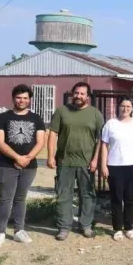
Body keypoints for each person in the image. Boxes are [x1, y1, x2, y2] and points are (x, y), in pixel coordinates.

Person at [0, 84, 47, 248]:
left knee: (21, 198)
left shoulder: (36, 118)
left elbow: (40, 141)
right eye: (18, 97)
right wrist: (17, 157)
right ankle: (0, 232)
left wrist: (28, 158)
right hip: (6, 165)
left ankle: (18, 230)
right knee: (5, 199)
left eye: (25, 98)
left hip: (29, 165)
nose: (22, 100)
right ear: (13, 98)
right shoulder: (2, 118)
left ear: (29, 99)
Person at [47, 82, 104, 241]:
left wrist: (95, 160)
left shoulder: (95, 114)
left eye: (82, 93)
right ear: (72, 94)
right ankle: (64, 227)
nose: (79, 96)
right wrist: (51, 156)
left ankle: (85, 225)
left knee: (87, 195)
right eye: (76, 93)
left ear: (88, 96)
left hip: (86, 163)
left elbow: (101, 139)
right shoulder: (61, 111)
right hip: (65, 161)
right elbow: (52, 134)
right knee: (63, 195)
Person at [99, 97, 133, 241]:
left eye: (128, 106)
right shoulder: (110, 124)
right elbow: (104, 145)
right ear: (118, 107)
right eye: (122, 106)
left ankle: (129, 228)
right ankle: (117, 229)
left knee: (130, 198)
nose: (125, 108)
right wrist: (103, 165)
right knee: (116, 198)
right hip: (114, 166)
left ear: (132, 109)